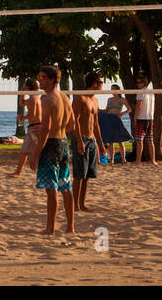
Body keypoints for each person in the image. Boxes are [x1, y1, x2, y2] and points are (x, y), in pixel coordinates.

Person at [31, 65, 80, 235]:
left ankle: (50, 228)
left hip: (51, 146)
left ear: (52, 80)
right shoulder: (65, 98)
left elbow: (45, 130)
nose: (40, 80)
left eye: (43, 77)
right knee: (65, 187)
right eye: (39, 77)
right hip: (63, 144)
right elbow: (72, 124)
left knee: (51, 190)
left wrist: (36, 154)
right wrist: (57, 130)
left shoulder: (47, 99)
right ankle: (70, 228)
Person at [71, 73, 106, 213]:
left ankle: (82, 204)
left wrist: (101, 143)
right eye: (101, 81)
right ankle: (74, 205)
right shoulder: (80, 98)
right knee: (79, 175)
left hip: (91, 140)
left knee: (88, 176)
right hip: (81, 138)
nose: (102, 84)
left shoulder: (95, 101)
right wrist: (79, 141)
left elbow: (96, 123)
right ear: (94, 83)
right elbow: (75, 121)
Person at [11, 78, 43, 178]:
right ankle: (18, 172)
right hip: (36, 127)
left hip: (34, 128)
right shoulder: (36, 97)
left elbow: (32, 114)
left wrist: (22, 117)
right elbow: (22, 103)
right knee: (30, 151)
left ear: (29, 87)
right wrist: (22, 93)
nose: (23, 86)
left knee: (24, 151)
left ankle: (18, 172)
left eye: (25, 85)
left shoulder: (33, 99)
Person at [99, 83, 131, 163]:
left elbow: (129, 109)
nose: (112, 91)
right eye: (111, 89)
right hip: (109, 119)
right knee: (110, 141)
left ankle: (124, 159)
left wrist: (121, 114)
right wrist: (98, 110)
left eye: (113, 89)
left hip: (117, 120)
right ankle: (112, 159)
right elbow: (106, 110)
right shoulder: (109, 99)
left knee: (120, 140)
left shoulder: (122, 100)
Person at [130, 74, 157, 165]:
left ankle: (138, 160)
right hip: (150, 118)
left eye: (139, 82)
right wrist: (152, 115)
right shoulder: (151, 92)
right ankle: (153, 160)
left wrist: (135, 117)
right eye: (136, 82)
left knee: (139, 141)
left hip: (141, 118)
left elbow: (139, 105)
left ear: (144, 83)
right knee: (150, 140)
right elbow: (153, 106)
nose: (137, 84)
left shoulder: (141, 92)